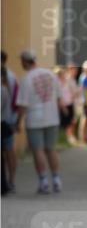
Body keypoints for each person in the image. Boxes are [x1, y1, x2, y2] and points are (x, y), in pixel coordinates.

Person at [15, 49, 63, 194]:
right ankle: (56, 179)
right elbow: (59, 98)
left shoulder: (26, 78)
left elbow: (23, 105)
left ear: (24, 61)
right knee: (51, 149)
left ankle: (43, 182)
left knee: (38, 150)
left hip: (34, 119)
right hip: (52, 117)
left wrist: (18, 122)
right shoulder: (50, 74)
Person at [1, 51, 18, 191]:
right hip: (9, 118)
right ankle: (11, 181)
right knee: (9, 151)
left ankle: (8, 182)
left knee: (8, 151)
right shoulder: (12, 76)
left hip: (5, 119)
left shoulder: (9, 77)